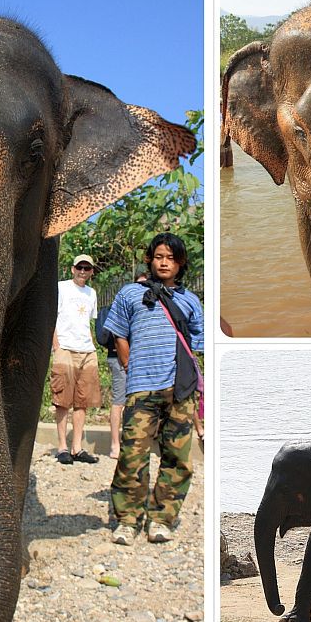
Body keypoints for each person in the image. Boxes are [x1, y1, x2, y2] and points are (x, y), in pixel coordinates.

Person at [103, 233, 204, 545]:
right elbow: (118, 332)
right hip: (142, 386)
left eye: (171, 258)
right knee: (132, 455)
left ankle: (161, 518)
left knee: (177, 458)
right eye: (159, 256)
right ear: (150, 259)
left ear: (180, 264)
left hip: (181, 389)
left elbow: (197, 343)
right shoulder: (130, 294)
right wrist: (129, 365)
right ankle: (128, 520)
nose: (164, 262)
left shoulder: (190, 300)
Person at [50, 253, 101, 465]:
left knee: (83, 401)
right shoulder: (61, 287)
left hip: (87, 350)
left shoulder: (92, 293)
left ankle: (77, 447)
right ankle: (62, 446)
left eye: (86, 268)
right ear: (72, 269)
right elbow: (51, 317)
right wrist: (56, 346)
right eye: (79, 267)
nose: (82, 271)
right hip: (65, 348)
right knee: (62, 400)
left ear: (91, 272)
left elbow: (88, 323)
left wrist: (93, 347)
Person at [96, 270, 148, 460]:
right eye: (140, 284)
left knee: (140, 402)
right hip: (119, 359)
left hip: (141, 359)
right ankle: (115, 444)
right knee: (119, 401)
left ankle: (133, 441)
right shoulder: (126, 306)